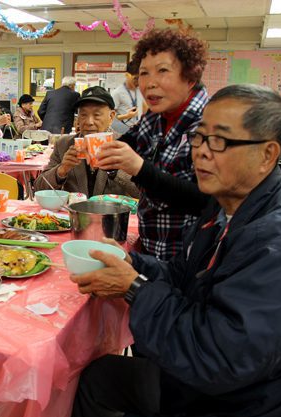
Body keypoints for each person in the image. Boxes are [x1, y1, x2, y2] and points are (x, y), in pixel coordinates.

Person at [69, 84, 281, 417]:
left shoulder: (279, 241)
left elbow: (218, 358)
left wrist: (134, 288)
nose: (201, 153)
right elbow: (183, 275)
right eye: (199, 138)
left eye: (220, 141)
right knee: (95, 376)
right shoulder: (223, 205)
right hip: (210, 384)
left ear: (268, 154)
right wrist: (133, 263)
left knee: (95, 379)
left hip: (237, 406)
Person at [96, 29, 210, 260]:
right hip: (151, 245)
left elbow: (206, 199)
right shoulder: (158, 116)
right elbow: (133, 138)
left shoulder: (211, 125)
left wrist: (139, 168)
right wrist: (105, 152)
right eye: (144, 73)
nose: (150, 83)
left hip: (187, 257)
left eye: (163, 71)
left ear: (190, 77)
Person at [35, 86, 138, 198]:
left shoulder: (126, 145)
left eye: (97, 115)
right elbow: (39, 188)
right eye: (83, 115)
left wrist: (114, 171)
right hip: (74, 214)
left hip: (111, 214)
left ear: (111, 116)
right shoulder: (64, 144)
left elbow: (144, 193)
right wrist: (61, 170)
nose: (89, 122)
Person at [110, 61, 145, 135]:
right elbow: (109, 117)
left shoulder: (140, 90)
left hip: (140, 130)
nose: (138, 81)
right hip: (124, 131)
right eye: (135, 78)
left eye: (140, 78)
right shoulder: (117, 93)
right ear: (127, 75)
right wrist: (127, 116)